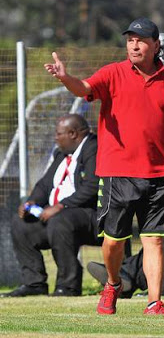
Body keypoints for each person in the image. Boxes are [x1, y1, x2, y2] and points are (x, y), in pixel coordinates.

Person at [43, 17, 164, 315]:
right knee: (113, 243)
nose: (134, 45)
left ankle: (153, 301)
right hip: (117, 173)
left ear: (156, 45)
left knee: (154, 241)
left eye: (141, 40)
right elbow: (82, 87)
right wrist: (64, 77)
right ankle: (113, 283)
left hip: (159, 174)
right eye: (130, 40)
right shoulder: (113, 73)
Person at [0, 114, 99, 297]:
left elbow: (92, 186)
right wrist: (32, 202)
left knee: (60, 220)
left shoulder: (94, 148)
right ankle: (34, 283)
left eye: (58, 133)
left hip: (92, 217)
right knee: (21, 224)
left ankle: (68, 286)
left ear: (72, 134)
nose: (55, 137)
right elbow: (45, 184)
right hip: (61, 217)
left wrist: (61, 205)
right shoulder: (62, 154)